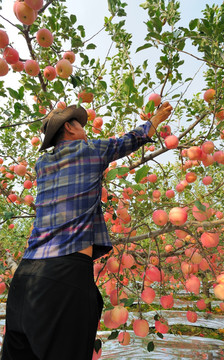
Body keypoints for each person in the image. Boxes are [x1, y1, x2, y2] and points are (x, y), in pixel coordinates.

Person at [1, 101, 172, 360]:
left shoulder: (41, 164)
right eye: (81, 124)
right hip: (63, 276)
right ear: (69, 127)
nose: (86, 130)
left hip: (25, 277)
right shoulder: (89, 150)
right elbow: (130, 140)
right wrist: (156, 119)